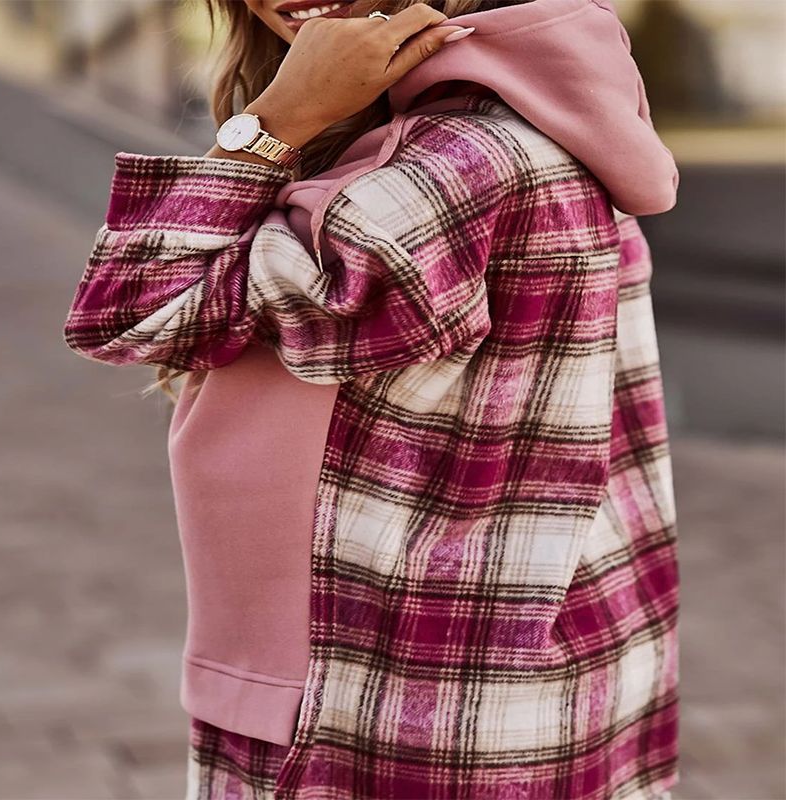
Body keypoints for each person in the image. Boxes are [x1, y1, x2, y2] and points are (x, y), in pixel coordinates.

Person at [63, 0, 681, 797]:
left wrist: (271, 121)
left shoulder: (455, 165)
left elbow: (131, 309)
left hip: (399, 696)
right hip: (534, 662)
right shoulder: (550, 117)